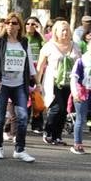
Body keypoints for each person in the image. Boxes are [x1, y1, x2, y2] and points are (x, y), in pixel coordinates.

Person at [0, 12, 36, 162]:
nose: (10, 25)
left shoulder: (24, 42)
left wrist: (37, 83)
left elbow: (30, 64)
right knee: (0, 118)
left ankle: (20, 149)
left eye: (14, 23)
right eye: (8, 22)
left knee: (23, 117)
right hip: (2, 84)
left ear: (19, 26)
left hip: (20, 84)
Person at [36, 15, 76, 146]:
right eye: (62, 30)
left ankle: (57, 136)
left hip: (70, 82)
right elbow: (40, 67)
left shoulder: (75, 46)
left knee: (65, 110)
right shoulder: (49, 46)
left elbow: (80, 64)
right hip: (53, 82)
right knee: (56, 108)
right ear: (55, 32)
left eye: (67, 30)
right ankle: (48, 132)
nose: (65, 32)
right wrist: (37, 83)